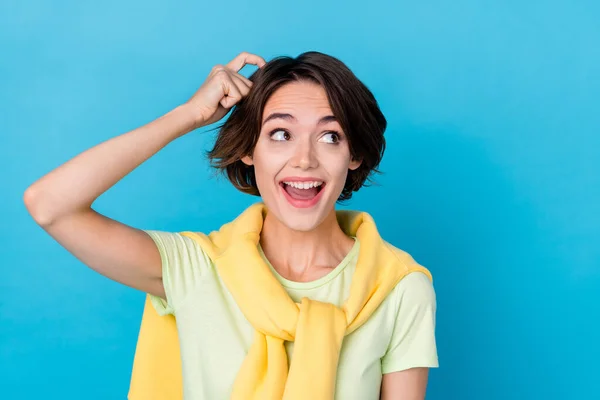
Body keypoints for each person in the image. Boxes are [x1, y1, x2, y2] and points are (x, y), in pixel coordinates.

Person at [24, 51, 439, 400]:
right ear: (248, 151)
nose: (304, 160)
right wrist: (189, 115)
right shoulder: (197, 267)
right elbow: (50, 205)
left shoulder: (400, 287)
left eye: (330, 137)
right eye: (280, 133)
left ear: (355, 156)